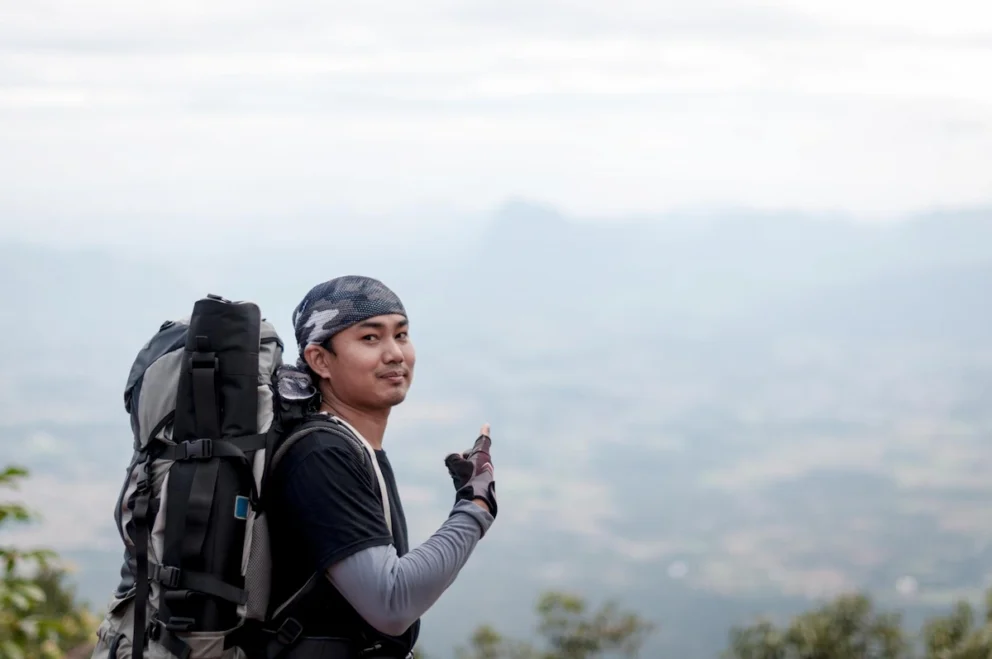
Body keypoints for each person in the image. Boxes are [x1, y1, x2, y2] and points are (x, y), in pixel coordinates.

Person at [266, 275, 498, 659]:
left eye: (401, 335)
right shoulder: (322, 454)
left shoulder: (352, 446)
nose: (395, 354)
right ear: (319, 360)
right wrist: (476, 508)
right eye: (370, 338)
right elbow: (391, 604)